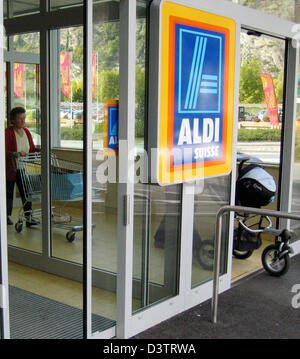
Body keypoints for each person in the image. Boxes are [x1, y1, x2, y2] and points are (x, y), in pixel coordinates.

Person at [6, 107, 40, 226]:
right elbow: (4, 151)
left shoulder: (26, 131)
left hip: (23, 168)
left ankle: (29, 218)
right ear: (13, 120)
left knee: (27, 193)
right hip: (11, 169)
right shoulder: (8, 132)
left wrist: (41, 150)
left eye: (24, 118)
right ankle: (6, 216)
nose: (22, 121)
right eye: (20, 118)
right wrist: (16, 154)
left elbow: (31, 148)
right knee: (8, 194)